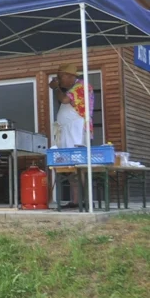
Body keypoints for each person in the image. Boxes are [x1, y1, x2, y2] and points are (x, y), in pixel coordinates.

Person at [51, 63, 95, 208]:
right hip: (68, 130)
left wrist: (56, 88)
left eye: (60, 77)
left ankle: (87, 200)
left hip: (76, 129)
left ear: (69, 76)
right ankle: (76, 200)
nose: (60, 80)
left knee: (79, 165)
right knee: (70, 165)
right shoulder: (73, 88)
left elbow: (65, 100)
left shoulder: (81, 86)